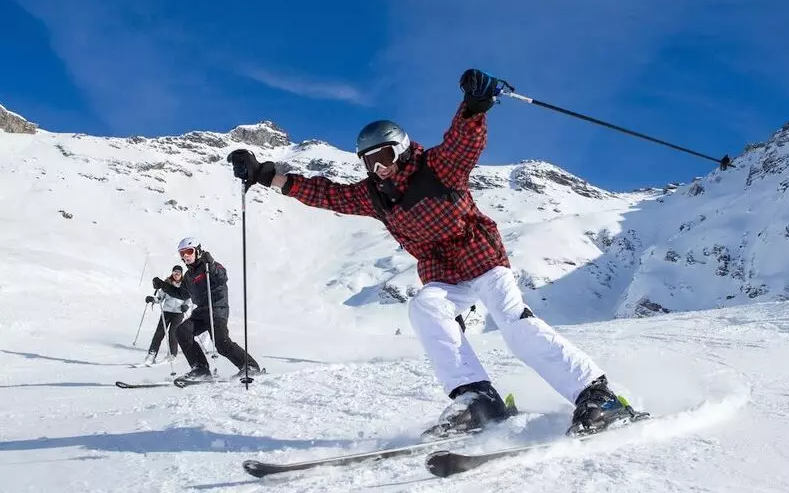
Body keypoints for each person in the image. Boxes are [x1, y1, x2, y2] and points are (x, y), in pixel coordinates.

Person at [227, 69, 636, 436]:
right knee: (425, 308)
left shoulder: (438, 169)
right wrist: (265, 174)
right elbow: (326, 192)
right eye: (369, 163)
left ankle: (597, 395)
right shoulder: (375, 197)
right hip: (442, 272)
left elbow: (463, 143)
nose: (379, 169)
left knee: (513, 323)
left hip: (481, 258)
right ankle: (478, 400)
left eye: (384, 157)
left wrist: (473, 108)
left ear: (401, 149)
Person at [152, 238, 261, 380]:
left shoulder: (209, 266)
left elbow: (222, 278)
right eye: (182, 253)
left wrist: (212, 264)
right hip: (201, 312)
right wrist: (163, 285)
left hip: (216, 309)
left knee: (221, 343)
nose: (185, 256)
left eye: (189, 251)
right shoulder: (189, 275)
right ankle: (200, 369)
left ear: (197, 251)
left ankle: (250, 366)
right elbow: (182, 293)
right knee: (182, 331)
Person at [142, 265, 191, 365]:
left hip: (178, 313)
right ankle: (152, 354)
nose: (176, 274)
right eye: (175, 272)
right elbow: (160, 298)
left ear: (181, 274)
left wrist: (186, 306)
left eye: (178, 272)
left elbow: (188, 299)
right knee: (159, 333)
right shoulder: (166, 284)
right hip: (167, 312)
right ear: (172, 273)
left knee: (173, 333)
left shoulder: (185, 285)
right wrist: (152, 299)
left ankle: (172, 354)